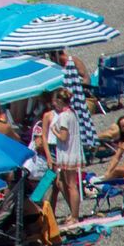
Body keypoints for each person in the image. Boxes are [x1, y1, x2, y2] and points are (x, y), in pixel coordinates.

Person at [47, 88, 83, 221]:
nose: (54, 104)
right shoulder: (72, 113)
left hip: (68, 153)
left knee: (71, 185)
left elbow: (63, 137)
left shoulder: (63, 116)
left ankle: (74, 215)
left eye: (55, 102)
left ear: (60, 101)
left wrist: (53, 131)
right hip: (73, 151)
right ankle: (73, 213)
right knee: (64, 183)